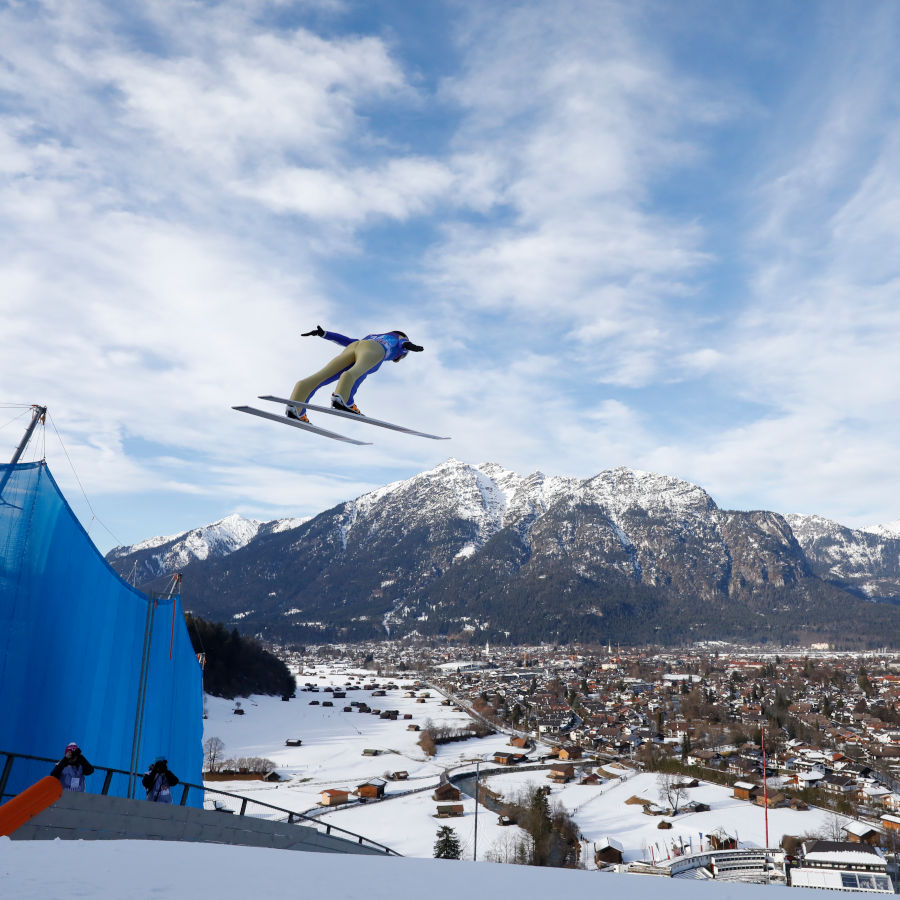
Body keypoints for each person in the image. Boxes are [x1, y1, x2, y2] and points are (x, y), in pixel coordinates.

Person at [288, 326, 423, 422]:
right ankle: (343, 400)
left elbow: (347, 341)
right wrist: (413, 347)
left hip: (356, 345)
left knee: (322, 375)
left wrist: (324, 334)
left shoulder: (373, 336)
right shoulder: (399, 339)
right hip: (375, 350)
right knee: (357, 372)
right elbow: (404, 344)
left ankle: (295, 406)